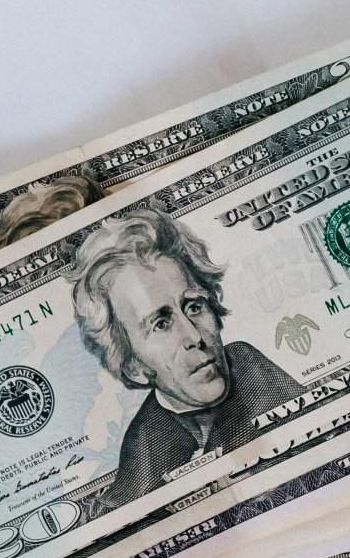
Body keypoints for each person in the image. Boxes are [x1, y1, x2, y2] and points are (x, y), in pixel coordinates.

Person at [70, 210, 301, 508]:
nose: (194, 336)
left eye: (193, 307)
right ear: (133, 366)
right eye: (161, 324)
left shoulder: (255, 373)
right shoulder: (142, 461)